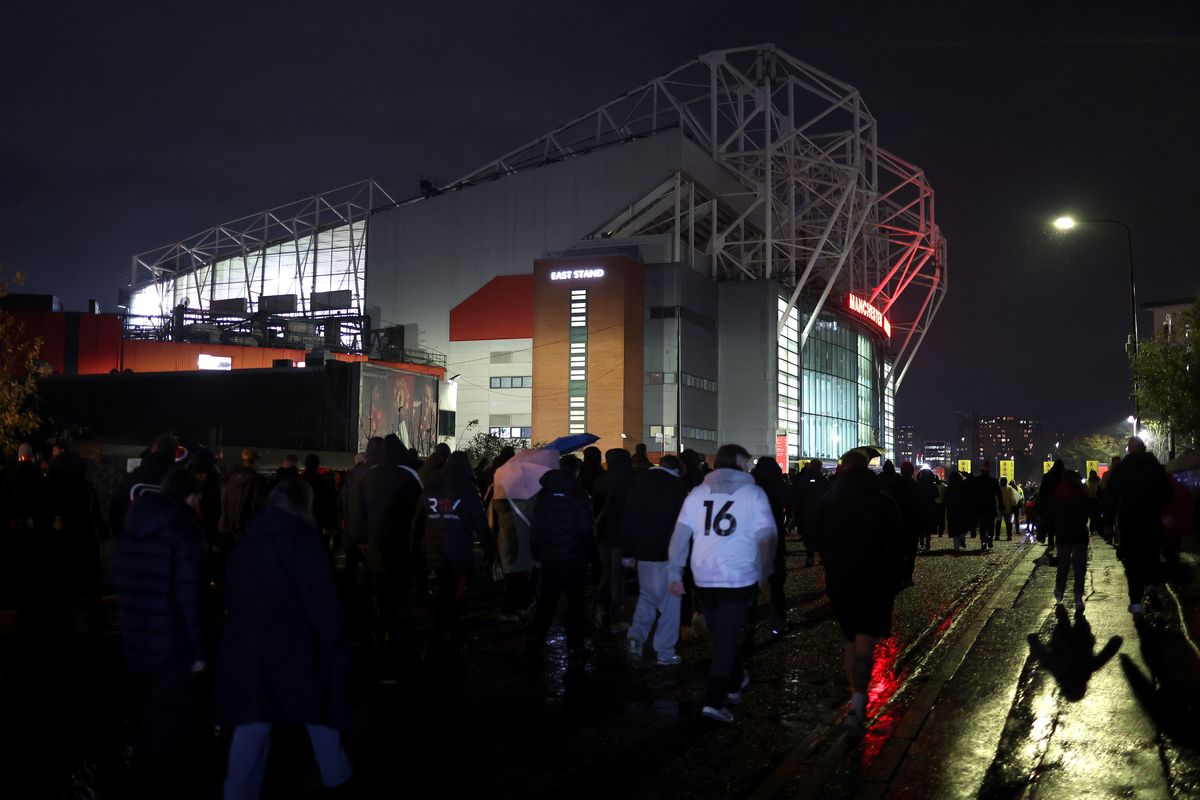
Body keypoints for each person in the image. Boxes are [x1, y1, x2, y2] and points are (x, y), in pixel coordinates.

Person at [215, 479, 353, 798]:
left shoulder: (247, 543)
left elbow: (232, 596)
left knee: (253, 722)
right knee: (318, 713)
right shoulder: (305, 544)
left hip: (250, 649)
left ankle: (238, 792)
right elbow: (323, 605)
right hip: (298, 649)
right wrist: (334, 644)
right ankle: (337, 776)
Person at [109, 468, 207, 797]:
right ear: (188, 497)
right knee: (173, 716)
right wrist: (198, 651)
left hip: (138, 633)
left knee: (158, 700)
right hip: (173, 640)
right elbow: (190, 599)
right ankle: (157, 782)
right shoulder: (184, 533)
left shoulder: (133, 528)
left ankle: (135, 753)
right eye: (196, 498)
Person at [668, 444, 777, 723]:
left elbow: (680, 535)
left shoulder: (697, 493)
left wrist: (675, 572)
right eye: (747, 462)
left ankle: (736, 679)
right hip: (739, 576)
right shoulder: (753, 494)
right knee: (726, 638)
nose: (750, 467)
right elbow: (767, 536)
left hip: (703, 575)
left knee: (722, 636)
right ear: (738, 462)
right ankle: (714, 701)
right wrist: (764, 570)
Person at [809, 449, 904, 737]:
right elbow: (899, 540)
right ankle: (858, 705)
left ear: (843, 469)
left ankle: (855, 698)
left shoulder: (830, 499)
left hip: (840, 578)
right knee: (865, 640)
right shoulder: (883, 500)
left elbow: (812, 534)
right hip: (875, 578)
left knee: (850, 637)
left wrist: (829, 554)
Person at [412, 451, 493, 650]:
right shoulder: (468, 489)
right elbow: (481, 524)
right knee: (452, 595)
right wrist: (489, 550)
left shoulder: (431, 488)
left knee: (447, 591)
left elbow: (416, 524)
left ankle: (447, 634)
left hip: (435, 552)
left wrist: (414, 550)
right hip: (459, 552)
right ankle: (445, 635)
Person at [621, 454, 688, 664]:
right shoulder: (677, 490)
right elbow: (685, 526)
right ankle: (665, 651)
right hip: (670, 555)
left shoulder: (638, 487)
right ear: (676, 471)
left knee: (647, 598)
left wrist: (627, 552)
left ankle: (635, 638)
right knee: (670, 604)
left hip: (645, 554)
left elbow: (627, 520)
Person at [528, 458, 595, 655]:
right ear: (576, 471)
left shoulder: (543, 494)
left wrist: (536, 553)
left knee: (547, 600)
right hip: (574, 557)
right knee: (575, 602)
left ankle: (538, 637)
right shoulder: (579, 495)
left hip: (549, 556)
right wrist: (588, 554)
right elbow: (585, 529)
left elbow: (536, 527)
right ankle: (575, 644)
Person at [360, 434, 422, 640]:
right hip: (401, 538)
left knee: (380, 581)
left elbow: (361, 509)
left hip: (375, 537)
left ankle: (382, 624)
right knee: (398, 581)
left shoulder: (370, 475)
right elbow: (419, 510)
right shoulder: (410, 475)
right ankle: (393, 625)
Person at [1107, 437, 1172, 616]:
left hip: (1130, 519)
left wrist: (1107, 522)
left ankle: (1135, 601)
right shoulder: (1155, 465)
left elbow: (1112, 494)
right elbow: (1167, 493)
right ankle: (1150, 584)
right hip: (1151, 518)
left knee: (1132, 559)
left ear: (1130, 449)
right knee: (1151, 553)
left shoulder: (1123, 467)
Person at [592, 448, 636, 633]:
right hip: (622, 533)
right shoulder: (633, 479)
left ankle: (597, 605)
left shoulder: (602, 479)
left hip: (603, 532)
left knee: (608, 573)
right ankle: (615, 620)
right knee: (618, 577)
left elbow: (595, 507)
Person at [752, 457, 793, 635]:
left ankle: (748, 626)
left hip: (751, 540)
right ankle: (778, 621)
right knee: (776, 584)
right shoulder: (778, 484)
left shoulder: (749, 485)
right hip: (772, 537)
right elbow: (791, 500)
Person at [217, 448, 266, 572]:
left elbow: (223, 500)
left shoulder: (229, 477)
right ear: (256, 460)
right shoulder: (258, 480)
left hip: (226, 524)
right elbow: (256, 504)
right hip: (245, 526)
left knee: (224, 560)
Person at [1047, 470, 1089, 611]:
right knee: (1079, 568)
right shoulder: (1082, 493)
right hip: (1079, 535)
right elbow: (1092, 509)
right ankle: (1078, 596)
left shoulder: (1058, 493)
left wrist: (1043, 530)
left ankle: (1059, 591)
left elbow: (1050, 514)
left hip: (1063, 535)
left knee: (1063, 565)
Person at [792, 459, 831, 567]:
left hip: (807, 512)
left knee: (809, 536)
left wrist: (798, 509)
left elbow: (798, 495)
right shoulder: (824, 480)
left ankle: (809, 557)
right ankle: (822, 557)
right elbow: (829, 495)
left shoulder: (804, 479)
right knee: (821, 535)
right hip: (821, 512)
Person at [1036, 460, 1065, 556]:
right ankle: (1061, 542)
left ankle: (1051, 542)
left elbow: (1042, 492)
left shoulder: (1047, 476)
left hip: (1049, 503)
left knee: (1050, 524)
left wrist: (1042, 504)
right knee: (1061, 523)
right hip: (1062, 503)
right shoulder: (1064, 476)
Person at [972, 462, 1002, 550]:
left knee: (982, 526)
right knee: (991, 525)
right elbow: (999, 494)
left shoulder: (976, 480)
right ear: (989, 472)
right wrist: (1000, 504)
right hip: (990, 506)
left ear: (981, 471)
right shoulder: (994, 481)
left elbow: (972, 493)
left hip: (980, 506)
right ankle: (989, 538)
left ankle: (983, 541)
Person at [999, 477, 1019, 541]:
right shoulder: (1010, 489)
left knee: (999, 522)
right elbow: (1014, 499)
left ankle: (997, 536)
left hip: (1000, 508)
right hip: (1008, 508)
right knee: (1008, 523)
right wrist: (1013, 506)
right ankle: (1009, 536)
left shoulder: (999, 488)